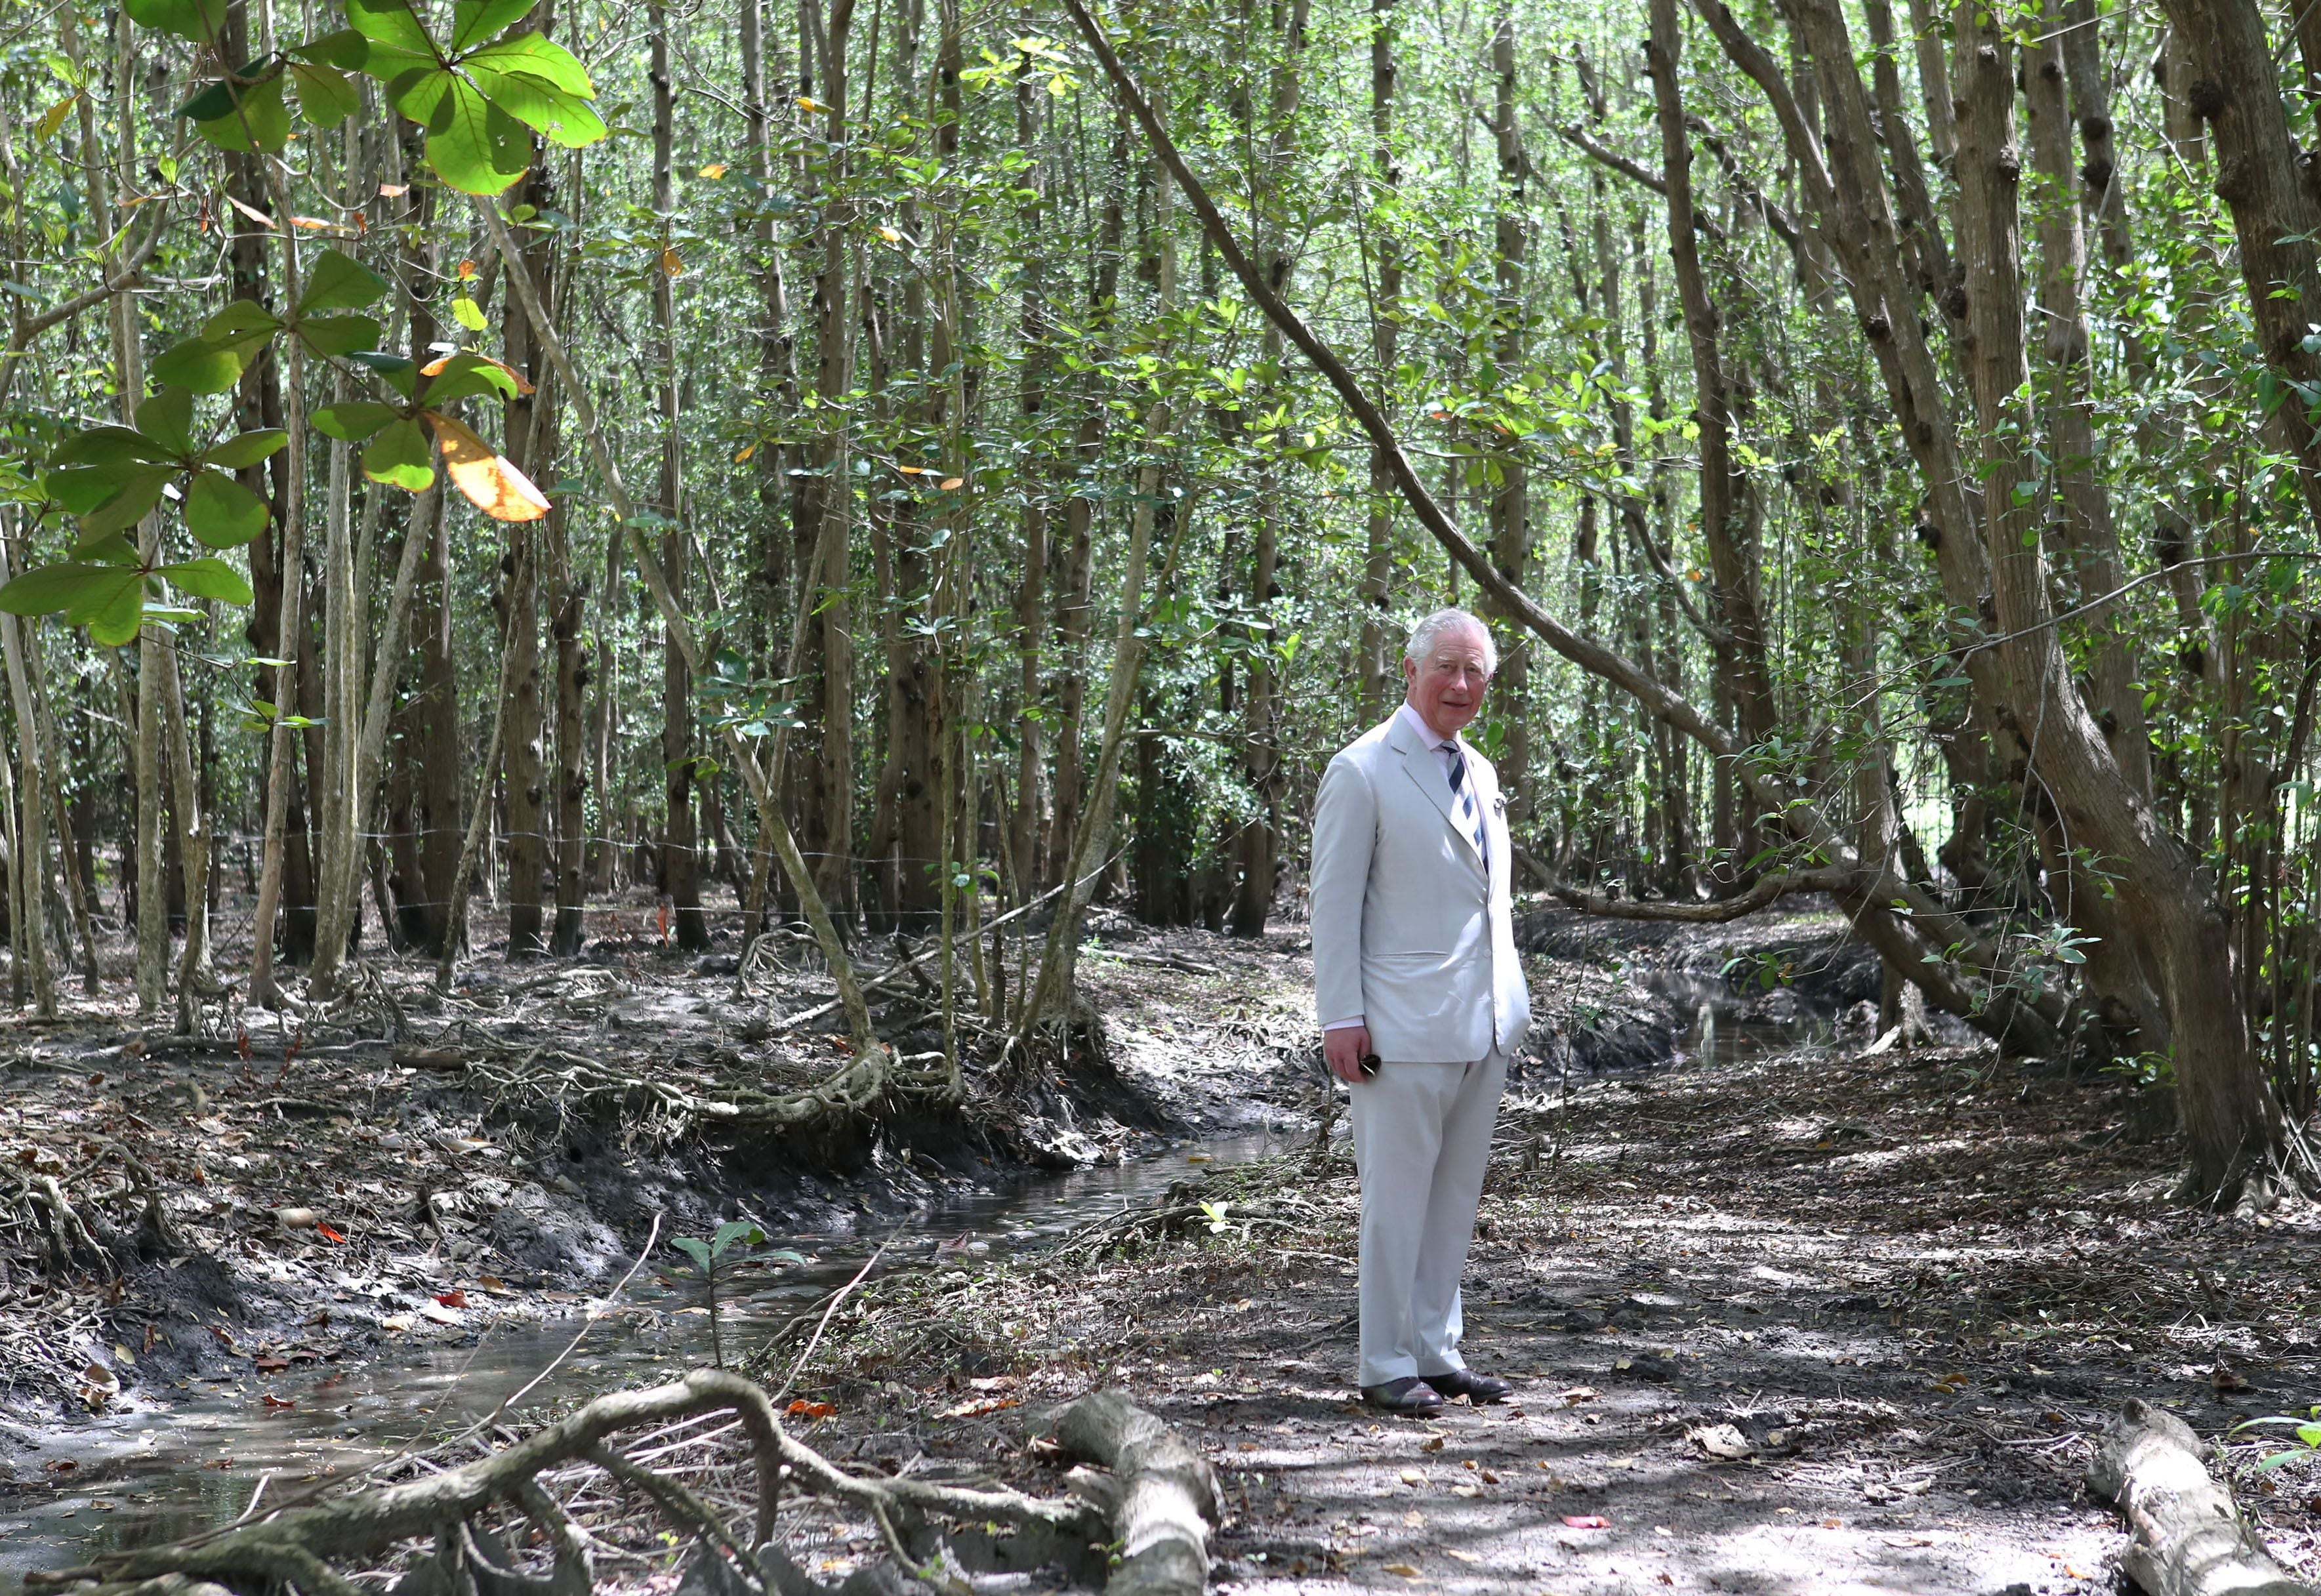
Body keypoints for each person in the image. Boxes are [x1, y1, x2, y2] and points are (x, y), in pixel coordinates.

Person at [1309, 607, 1530, 1414]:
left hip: (1484, 1022)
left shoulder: (1481, 773)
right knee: (1394, 1202)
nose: (1462, 685)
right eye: (1447, 667)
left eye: (1477, 672)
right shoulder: (1363, 769)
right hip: (1396, 1027)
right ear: (1410, 671)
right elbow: (1331, 907)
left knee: (1452, 1201)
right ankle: (1383, 1364)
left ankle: (1438, 1353)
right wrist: (1341, 1016)